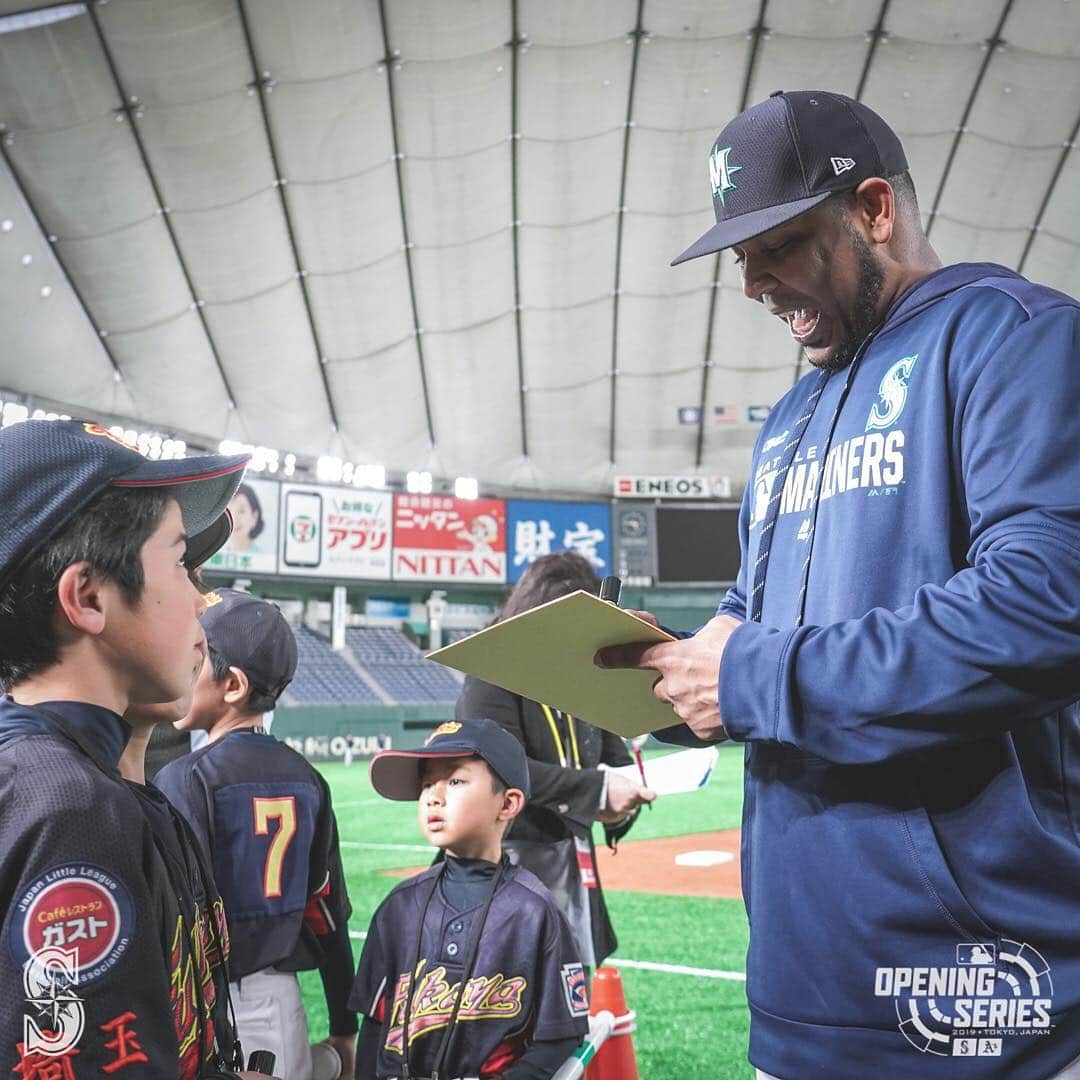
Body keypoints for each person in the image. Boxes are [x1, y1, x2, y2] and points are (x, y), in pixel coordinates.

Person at [600, 90, 1080, 1078]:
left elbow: (1045, 605)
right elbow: (755, 617)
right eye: (740, 257)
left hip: (982, 999)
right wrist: (684, 662)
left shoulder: (1016, 338)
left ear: (873, 210)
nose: (753, 283)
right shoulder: (788, 419)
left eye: (776, 244)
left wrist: (750, 677)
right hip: (805, 989)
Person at [0, 419, 278, 1078]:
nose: (201, 600)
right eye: (181, 563)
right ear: (89, 596)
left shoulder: (89, 785)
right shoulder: (73, 811)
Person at [155, 589, 357, 1080]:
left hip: (204, 1007)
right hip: (281, 1004)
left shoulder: (186, 777)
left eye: (198, 656)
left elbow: (174, 920)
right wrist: (344, 1027)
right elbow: (328, 913)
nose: (183, 665)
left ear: (233, 686)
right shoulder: (308, 777)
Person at [351, 719, 589, 1079]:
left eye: (455, 780)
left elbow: (560, 1036)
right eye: (427, 782)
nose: (433, 795)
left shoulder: (534, 911)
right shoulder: (397, 908)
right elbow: (374, 1027)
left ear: (507, 804)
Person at [455, 552, 655, 969]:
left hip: (574, 870)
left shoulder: (578, 675)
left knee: (572, 1004)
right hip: (508, 867)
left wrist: (622, 804)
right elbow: (499, 767)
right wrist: (597, 790)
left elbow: (615, 762)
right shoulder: (490, 668)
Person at [226, 483, 264, 554]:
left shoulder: (262, 557)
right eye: (230, 510)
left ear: (254, 517)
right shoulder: (216, 552)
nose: (235, 519)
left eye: (241, 511)